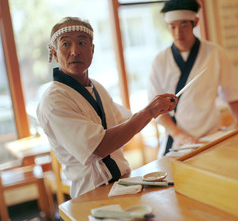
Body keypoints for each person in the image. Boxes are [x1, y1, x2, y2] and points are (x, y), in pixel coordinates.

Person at [36, 17, 177, 198]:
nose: (74, 51)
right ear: (55, 53)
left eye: (81, 42)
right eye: (65, 44)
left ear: (92, 50)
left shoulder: (97, 87)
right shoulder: (53, 100)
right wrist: (149, 111)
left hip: (125, 183)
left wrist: (157, 108)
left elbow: (124, 123)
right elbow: (99, 147)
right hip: (91, 193)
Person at [148, 0, 238, 157]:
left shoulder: (215, 53)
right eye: (172, 26)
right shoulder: (160, 61)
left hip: (211, 136)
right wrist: (179, 135)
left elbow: (232, 92)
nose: (178, 32)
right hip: (177, 142)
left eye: (184, 25)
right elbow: (156, 109)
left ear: (196, 22)